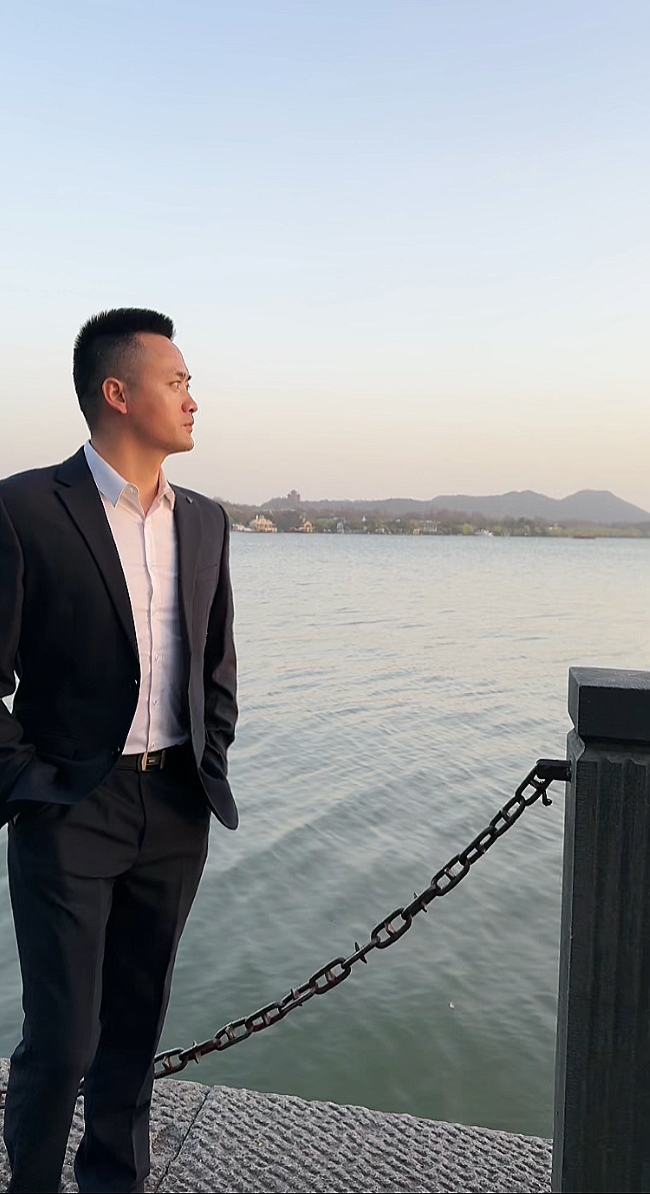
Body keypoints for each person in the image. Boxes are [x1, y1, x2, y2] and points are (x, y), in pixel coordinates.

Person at [0, 308, 238, 1193]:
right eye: (177, 382)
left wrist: (209, 757)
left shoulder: (205, 521)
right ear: (118, 393)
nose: (192, 399)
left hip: (175, 806)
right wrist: (30, 783)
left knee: (135, 1033)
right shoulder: (24, 508)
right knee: (63, 1041)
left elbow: (216, 666)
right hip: (70, 806)